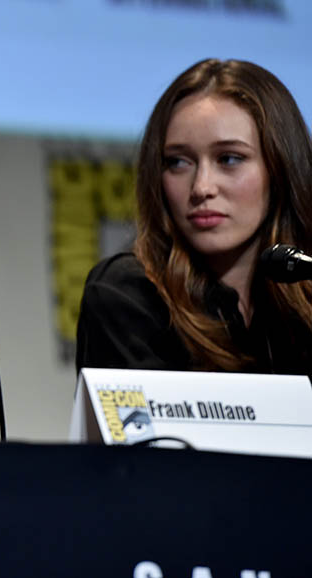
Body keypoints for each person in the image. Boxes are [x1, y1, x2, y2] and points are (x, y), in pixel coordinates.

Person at [76, 58, 312, 375]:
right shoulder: (128, 295)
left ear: (280, 168)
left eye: (229, 159)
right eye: (178, 162)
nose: (201, 187)